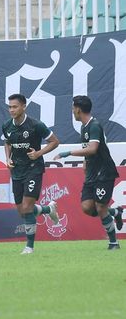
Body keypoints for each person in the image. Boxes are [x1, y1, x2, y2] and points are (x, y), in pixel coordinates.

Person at [53, 96, 123, 250]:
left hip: (104, 172)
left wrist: (67, 153)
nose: (72, 111)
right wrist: (85, 163)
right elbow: (88, 150)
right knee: (87, 208)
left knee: (100, 207)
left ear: (78, 109)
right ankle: (115, 212)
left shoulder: (94, 126)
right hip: (92, 173)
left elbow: (92, 148)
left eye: (73, 108)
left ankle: (113, 243)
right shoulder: (84, 127)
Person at [2, 93, 60, 255]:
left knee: (27, 207)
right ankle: (48, 210)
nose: (11, 110)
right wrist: (8, 159)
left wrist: (39, 153)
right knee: (21, 210)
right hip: (17, 170)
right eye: (10, 107)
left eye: (15, 106)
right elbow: (7, 142)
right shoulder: (7, 126)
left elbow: (55, 141)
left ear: (23, 107)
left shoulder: (36, 125)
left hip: (33, 169)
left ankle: (29, 247)